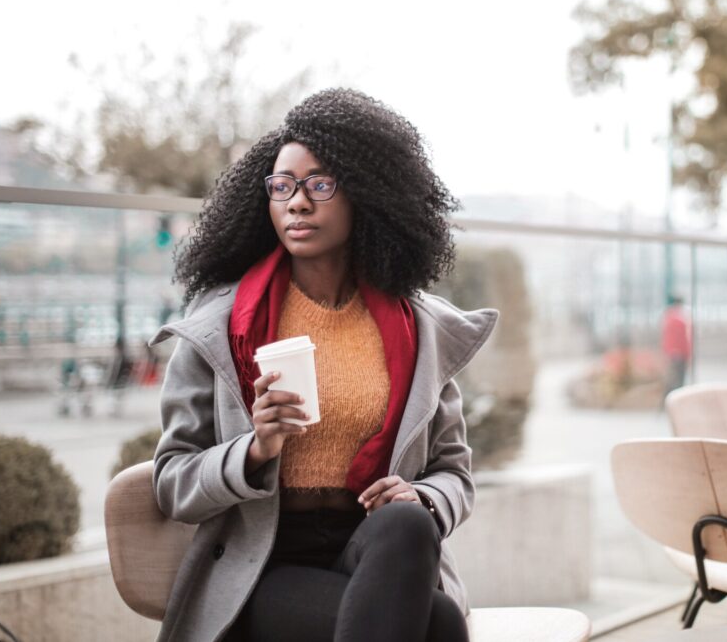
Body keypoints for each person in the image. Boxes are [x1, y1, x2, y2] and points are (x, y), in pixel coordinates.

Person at [147, 88, 498, 642]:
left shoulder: (418, 329)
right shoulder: (219, 323)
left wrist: (423, 496)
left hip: (374, 549)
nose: (298, 202)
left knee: (408, 522)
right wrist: (255, 449)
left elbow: (454, 474)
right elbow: (172, 483)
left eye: (320, 184)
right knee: (440, 623)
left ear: (366, 195)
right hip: (261, 566)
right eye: (282, 186)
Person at [660, 295, 692, 399]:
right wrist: (687, 353)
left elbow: (666, 338)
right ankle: (675, 401)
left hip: (672, 353)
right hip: (679, 354)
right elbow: (683, 340)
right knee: (678, 381)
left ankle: (669, 400)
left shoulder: (668, 317)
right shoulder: (680, 320)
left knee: (673, 379)